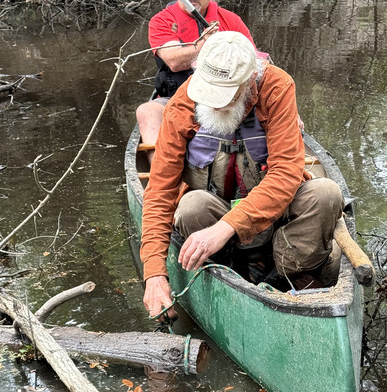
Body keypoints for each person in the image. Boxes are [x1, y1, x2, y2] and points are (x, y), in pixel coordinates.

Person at [141, 31, 344, 321]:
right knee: (191, 206)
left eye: (224, 95)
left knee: (326, 194)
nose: (214, 105)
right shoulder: (181, 105)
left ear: (249, 81)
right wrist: (155, 275)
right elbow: (159, 192)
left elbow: (286, 174)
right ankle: (230, 271)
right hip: (217, 208)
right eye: (209, 94)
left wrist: (225, 228)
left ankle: (289, 273)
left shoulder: (276, 86)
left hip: (274, 214)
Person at [136, 0, 257, 155]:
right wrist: (206, 44)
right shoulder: (162, 20)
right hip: (176, 97)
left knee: (267, 104)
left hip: (228, 97)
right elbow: (174, 61)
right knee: (147, 111)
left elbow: (256, 62)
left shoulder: (231, 20)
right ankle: (155, 176)